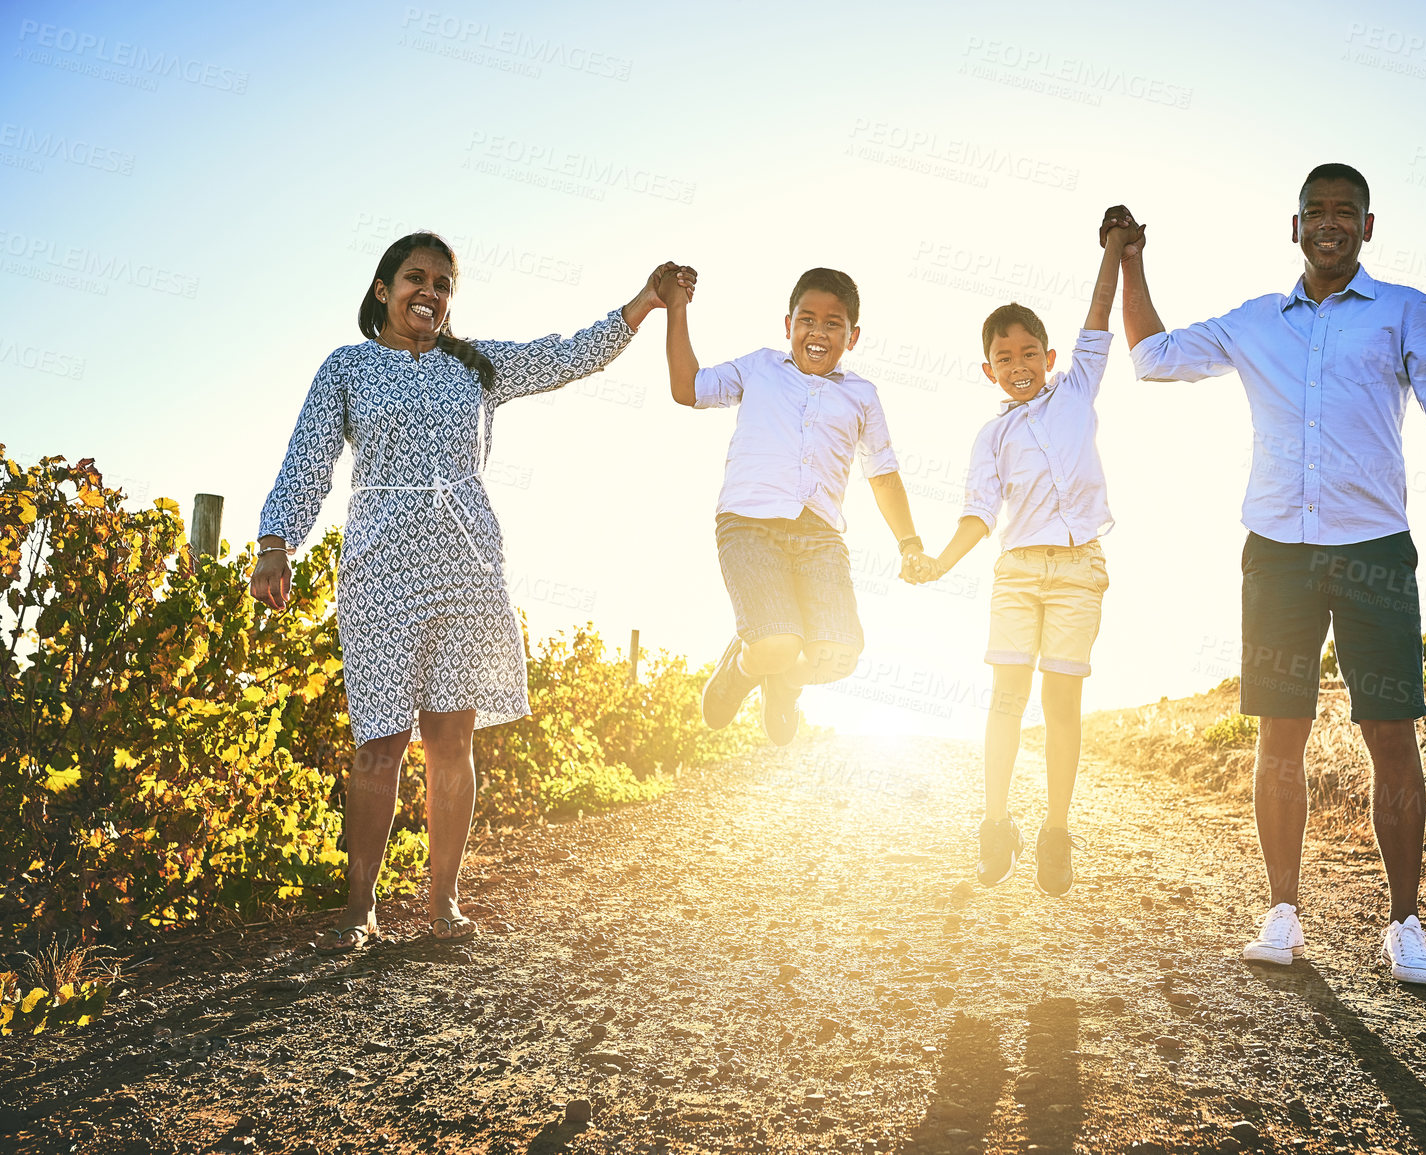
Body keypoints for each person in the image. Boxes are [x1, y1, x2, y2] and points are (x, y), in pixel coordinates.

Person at [1120, 166, 1426, 986]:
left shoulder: (1405, 311)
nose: (1329, 223)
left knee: (1390, 734)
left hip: (1373, 550)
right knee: (1279, 732)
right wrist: (1129, 260)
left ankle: (1404, 924)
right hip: (1277, 552)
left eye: (1345, 212)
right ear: (1291, 226)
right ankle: (1283, 912)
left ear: (1368, 227)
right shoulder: (1255, 322)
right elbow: (1153, 358)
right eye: (1315, 212)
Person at [251, 231, 692, 953]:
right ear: (382, 290)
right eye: (414, 278)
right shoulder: (348, 368)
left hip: (466, 563)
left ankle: (443, 902)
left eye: (443, 283)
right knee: (378, 744)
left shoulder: (475, 365)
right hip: (379, 565)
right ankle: (358, 909)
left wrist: (643, 302)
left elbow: (565, 354)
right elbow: (308, 458)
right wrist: (277, 543)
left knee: (450, 740)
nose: (429, 292)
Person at [918, 216, 1136, 897]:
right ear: (988, 368)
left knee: (1060, 701)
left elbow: (1098, 317)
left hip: (1078, 572)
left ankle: (1054, 830)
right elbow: (979, 514)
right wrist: (939, 560)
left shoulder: (1076, 391)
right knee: (1005, 699)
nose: (1017, 367)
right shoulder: (990, 436)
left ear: (1047, 356)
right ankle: (994, 822)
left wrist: (1113, 251)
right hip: (1016, 573)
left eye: (1028, 354)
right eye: (1003, 359)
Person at [661, 266, 930, 746]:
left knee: (839, 655)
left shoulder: (861, 396)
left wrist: (909, 542)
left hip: (820, 537)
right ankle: (742, 668)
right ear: (788, 325)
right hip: (748, 526)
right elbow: (688, 388)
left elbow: (883, 474)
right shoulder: (760, 367)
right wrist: (677, 308)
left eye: (833, 323)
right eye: (807, 319)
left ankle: (783, 683)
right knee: (778, 643)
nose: (818, 332)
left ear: (853, 335)